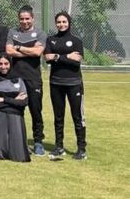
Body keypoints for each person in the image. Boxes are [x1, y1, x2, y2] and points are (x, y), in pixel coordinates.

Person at [44, 11, 87, 161]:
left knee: (78, 116)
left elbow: (76, 61)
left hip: (74, 84)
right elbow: (47, 58)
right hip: (56, 83)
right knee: (58, 117)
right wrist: (67, 56)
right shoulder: (51, 40)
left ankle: (81, 149)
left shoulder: (76, 41)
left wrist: (56, 57)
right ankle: (59, 147)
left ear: (69, 23)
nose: (61, 24)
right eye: (59, 22)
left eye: (64, 22)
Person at [5, 5, 45, 156]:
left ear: (33, 18)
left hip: (33, 78)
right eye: (21, 19)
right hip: (15, 78)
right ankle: (16, 140)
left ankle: (38, 141)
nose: (24, 21)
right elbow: (9, 51)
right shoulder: (12, 32)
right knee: (15, 109)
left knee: (35, 110)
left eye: (27, 18)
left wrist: (19, 48)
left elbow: (38, 52)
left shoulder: (40, 33)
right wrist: (29, 50)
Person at [0, 53, 30, 162]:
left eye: (6, 63)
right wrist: (15, 100)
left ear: (10, 64)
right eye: (0, 64)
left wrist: (3, 99)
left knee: (19, 156)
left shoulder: (19, 80)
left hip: (16, 116)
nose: (3, 67)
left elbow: (24, 102)